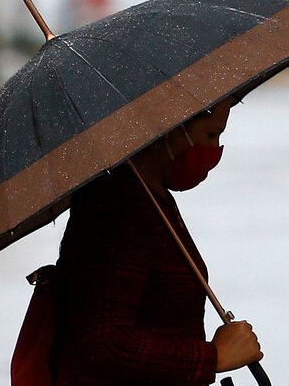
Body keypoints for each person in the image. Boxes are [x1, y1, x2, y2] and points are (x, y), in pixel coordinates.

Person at [51, 98, 263, 386]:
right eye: (211, 135)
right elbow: (102, 343)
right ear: (167, 127)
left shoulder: (151, 196)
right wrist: (213, 356)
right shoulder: (118, 207)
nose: (214, 151)